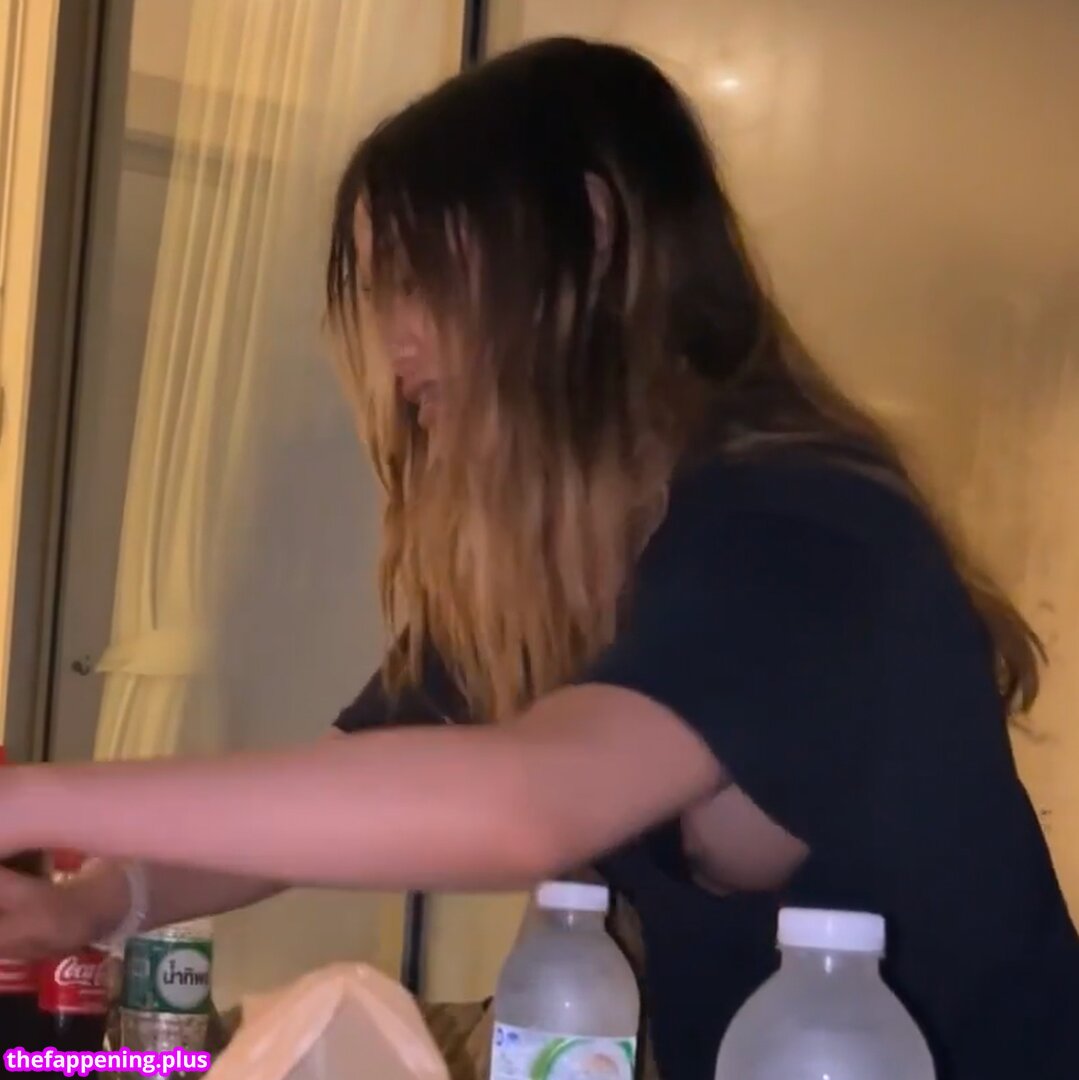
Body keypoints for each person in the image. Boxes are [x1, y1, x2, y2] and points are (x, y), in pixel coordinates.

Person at [1, 36, 1076, 1080]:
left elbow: (526, 805)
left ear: (592, 233)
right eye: (381, 293)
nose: (396, 347)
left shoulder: (801, 530)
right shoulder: (567, 569)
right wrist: (95, 902)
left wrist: (37, 800)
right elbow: (333, 797)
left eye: (421, 280)